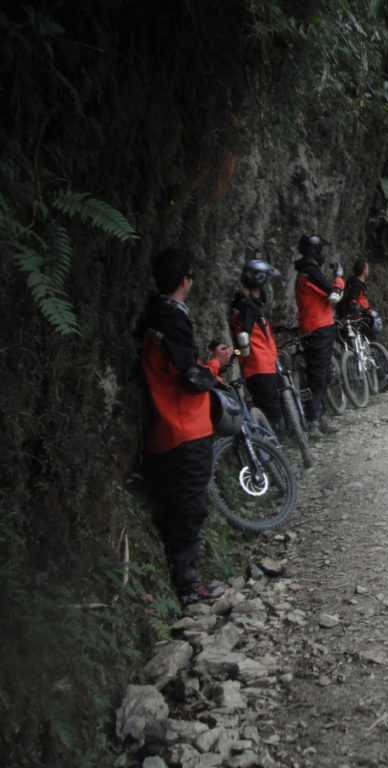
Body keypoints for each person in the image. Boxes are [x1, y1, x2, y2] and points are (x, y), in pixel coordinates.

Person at [140, 248, 233, 606]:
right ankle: (187, 585)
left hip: (163, 429)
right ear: (186, 280)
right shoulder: (172, 321)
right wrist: (216, 363)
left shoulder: (153, 316)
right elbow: (192, 380)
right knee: (190, 508)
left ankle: (184, 579)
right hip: (184, 430)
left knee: (178, 505)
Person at [293, 234, 344, 435]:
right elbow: (333, 294)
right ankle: (314, 421)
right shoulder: (310, 272)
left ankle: (319, 417)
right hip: (318, 329)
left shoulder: (305, 272)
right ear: (314, 252)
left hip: (313, 327)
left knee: (321, 374)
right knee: (318, 375)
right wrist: (339, 278)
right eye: (320, 250)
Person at [230, 259, 283, 434]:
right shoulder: (248, 307)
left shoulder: (248, 305)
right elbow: (243, 335)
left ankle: (273, 454)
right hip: (259, 368)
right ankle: (276, 455)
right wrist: (243, 353)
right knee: (273, 416)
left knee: (271, 413)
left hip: (262, 367)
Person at [342, 259, 382, 340]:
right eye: (367, 268)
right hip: (358, 318)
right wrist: (365, 311)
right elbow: (352, 302)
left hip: (357, 316)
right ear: (364, 270)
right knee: (375, 339)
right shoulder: (356, 285)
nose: (368, 270)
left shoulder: (354, 283)